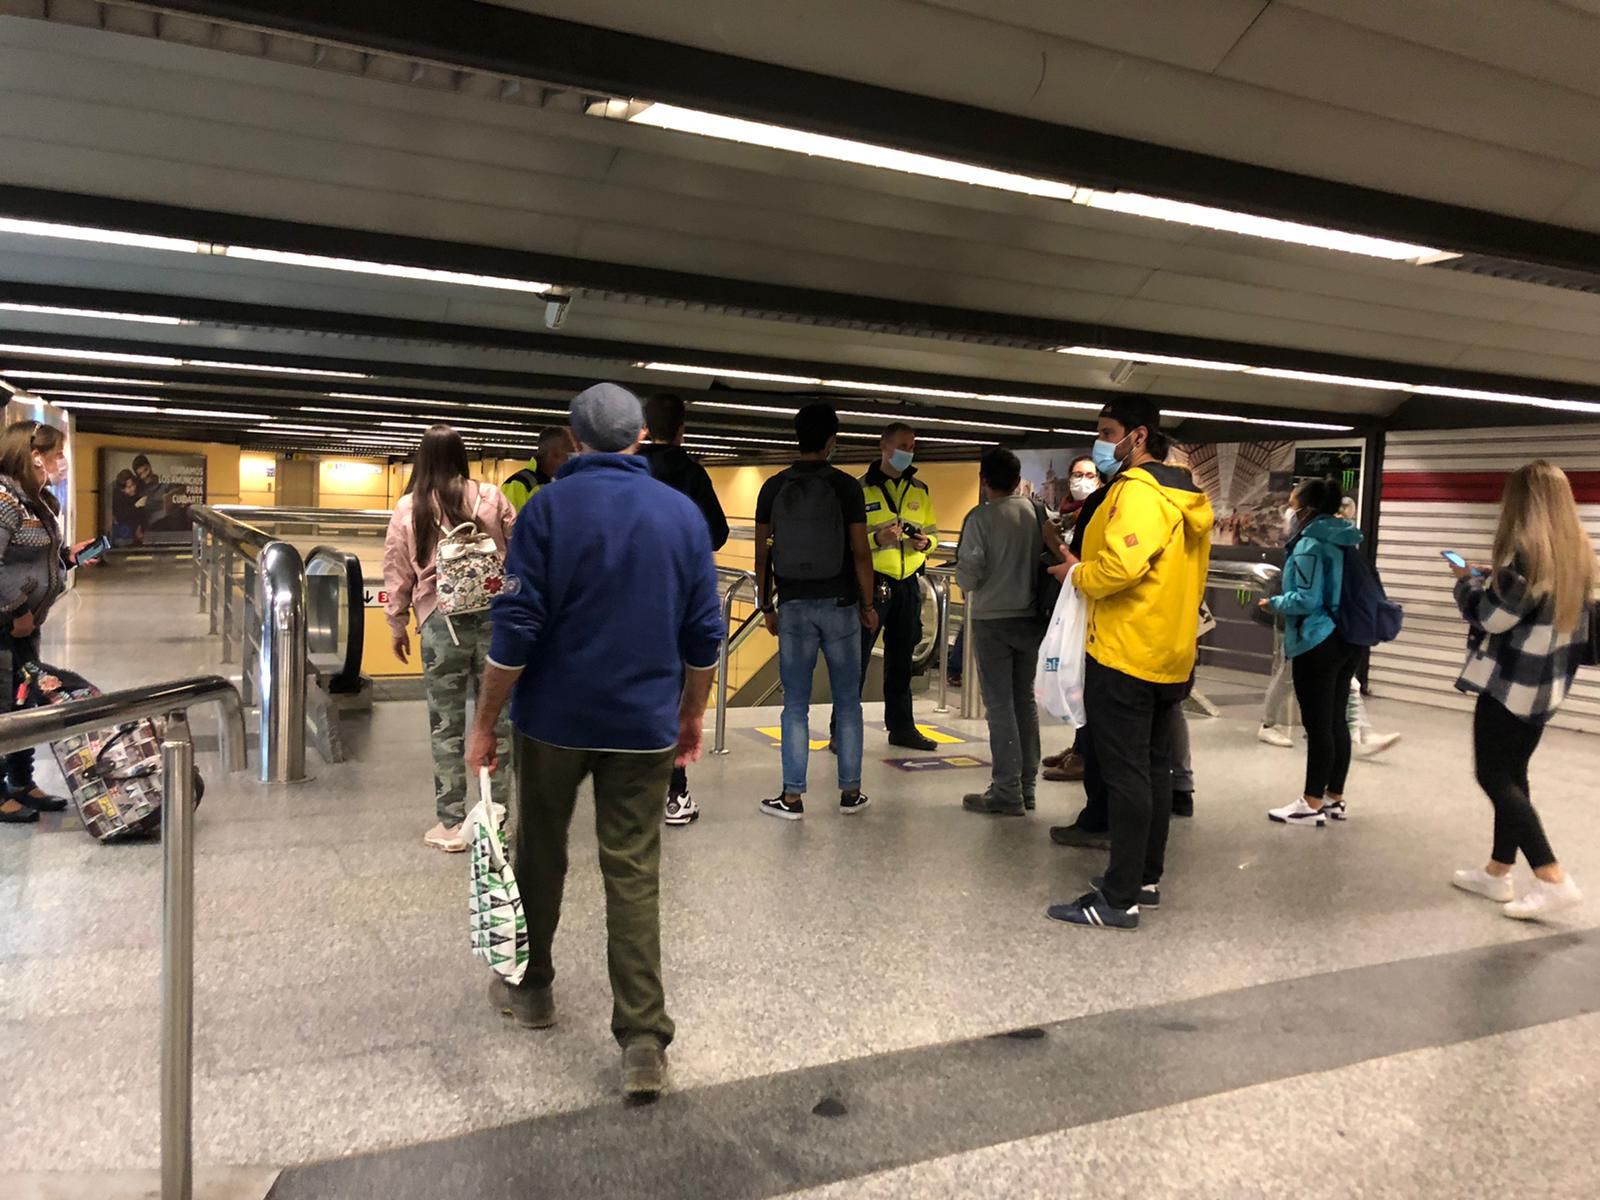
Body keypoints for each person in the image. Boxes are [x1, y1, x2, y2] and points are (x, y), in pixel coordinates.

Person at [466, 383, 722, 1101]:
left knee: (540, 852)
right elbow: (704, 634)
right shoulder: (681, 515)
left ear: (573, 444)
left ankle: (532, 989)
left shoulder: (547, 508)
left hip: (554, 721)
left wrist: (486, 720)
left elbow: (516, 629)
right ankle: (642, 1040)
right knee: (634, 870)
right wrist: (691, 713)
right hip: (642, 724)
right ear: (641, 438)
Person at [1045, 397, 1213, 931]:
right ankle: (1143, 877)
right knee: (1154, 768)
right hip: (1170, 650)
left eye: (1106, 432)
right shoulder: (1185, 494)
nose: (1101, 443)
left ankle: (1118, 899)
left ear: (1138, 436)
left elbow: (1121, 564)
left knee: (1125, 774)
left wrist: (1077, 575)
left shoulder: (1140, 493)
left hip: (1125, 650)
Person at [1449, 462, 1592, 919]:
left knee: (1493, 776)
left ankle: (1552, 876)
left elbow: (1490, 617)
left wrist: (1468, 583)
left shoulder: (1529, 560)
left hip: (1510, 685)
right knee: (1514, 775)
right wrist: (1499, 578)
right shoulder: (1577, 555)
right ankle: (1497, 871)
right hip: (1547, 686)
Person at [383, 425, 516, 852]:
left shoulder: (409, 507)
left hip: (441, 624)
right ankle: (496, 818)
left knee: (446, 724)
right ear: (461, 457)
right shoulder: (491, 498)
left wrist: (396, 622)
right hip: (496, 622)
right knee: (497, 722)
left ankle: (453, 824)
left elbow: (397, 568)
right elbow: (519, 552)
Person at [755, 403, 878, 820]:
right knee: (847, 701)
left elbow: (761, 555)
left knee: (795, 706)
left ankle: (791, 797)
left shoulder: (772, 487)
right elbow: (861, 553)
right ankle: (851, 793)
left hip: (792, 605)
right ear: (831, 441)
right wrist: (868, 603)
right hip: (842, 606)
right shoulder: (847, 487)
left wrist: (764, 603)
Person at [640, 392, 730, 826]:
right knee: (676, 696)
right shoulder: (693, 474)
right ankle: (675, 795)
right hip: (677, 599)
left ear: (642, 427)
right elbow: (717, 535)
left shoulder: (627, 469)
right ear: (681, 429)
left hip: (627, 598)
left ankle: (630, 787)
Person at [956, 447, 1061, 816]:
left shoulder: (979, 519)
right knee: (1024, 702)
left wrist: (966, 581)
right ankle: (1027, 787)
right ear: (1018, 481)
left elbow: (969, 572)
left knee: (999, 706)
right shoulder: (1038, 512)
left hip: (992, 620)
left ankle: (1006, 790)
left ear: (984, 481)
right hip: (1031, 617)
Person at [0, 422, 94, 823]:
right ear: (34, 456)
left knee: (25, 702)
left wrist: (71, 558)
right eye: (57, 454)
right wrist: (16, 609)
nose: (63, 462)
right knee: (3, 705)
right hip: (6, 625)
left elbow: (35, 560)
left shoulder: (33, 500)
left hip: (25, 625)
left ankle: (23, 782)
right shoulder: (4, 500)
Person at [1259, 479, 1362, 828]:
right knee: (1336, 721)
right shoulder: (1346, 537)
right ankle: (1335, 798)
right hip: (1348, 637)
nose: (1290, 511)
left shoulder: (1310, 544)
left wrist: (1272, 602)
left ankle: (1311, 802)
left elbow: (1305, 598)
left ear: (1306, 509)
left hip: (1316, 639)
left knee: (1318, 725)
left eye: (1293, 504)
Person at [843, 422, 938, 751]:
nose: (908, 452)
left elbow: (935, 534)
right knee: (856, 659)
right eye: (902, 445)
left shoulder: (920, 490)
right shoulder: (860, 489)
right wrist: (877, 539)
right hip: (871, 583)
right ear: (884, 447)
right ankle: (843, 730)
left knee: (901, 660)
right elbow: (847, 541)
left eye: (912, 446)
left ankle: (902, 728)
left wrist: (926, 543)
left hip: (908, 584)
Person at [1041, 455, 1106, 784]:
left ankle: (1085, 754)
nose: (1083, 480)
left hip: (1091, 606)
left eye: (1089, 475)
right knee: (1075, 680)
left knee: (1087, 682)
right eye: (1077, 474)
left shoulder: (1099, 511)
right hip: (1069, 600)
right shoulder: (1066, 514)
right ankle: (1079, 745)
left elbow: (1084, 561)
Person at [501, 426, 577, 514]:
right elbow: (509, 525)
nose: (575, 458)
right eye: (571, 453)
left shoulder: (566, 483)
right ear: (555, 454)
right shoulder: (518, 485)